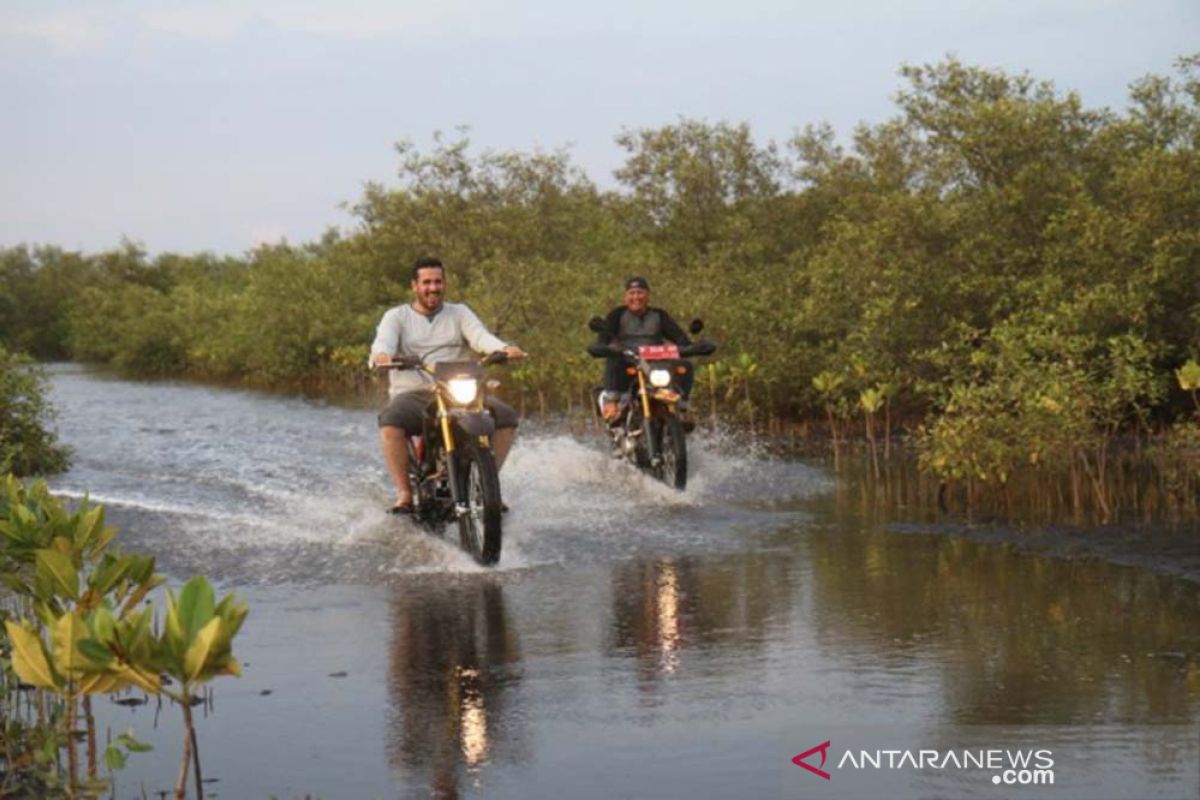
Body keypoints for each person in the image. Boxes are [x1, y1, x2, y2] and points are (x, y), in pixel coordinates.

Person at [371, 256, 526, 514]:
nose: (433, 288)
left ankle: (487, 485)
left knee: (506, 417)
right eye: (427, 283)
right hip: (415, 392)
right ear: (415, 285)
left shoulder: (460, 312)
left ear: (445, 284)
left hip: (456, 390)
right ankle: (404, 494)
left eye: (438, 282)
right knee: (390, 422)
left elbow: (480, 337)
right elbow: (383, 342)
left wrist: (504, 348)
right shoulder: (396, 317)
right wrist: (382, 356)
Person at [593, 276, 694, 423]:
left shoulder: (659, 316)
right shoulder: (617, 315)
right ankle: (612, 403)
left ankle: (683, 409)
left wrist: (692, 347)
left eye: (640, 292)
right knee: (614, 360)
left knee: (685, 366)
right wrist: (601, 347)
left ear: (648, 295)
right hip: (627, 362)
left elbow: (681, 339)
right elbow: (602, 340)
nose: (636, 297)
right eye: (632, 293)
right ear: (625, 296)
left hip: (655, 365)